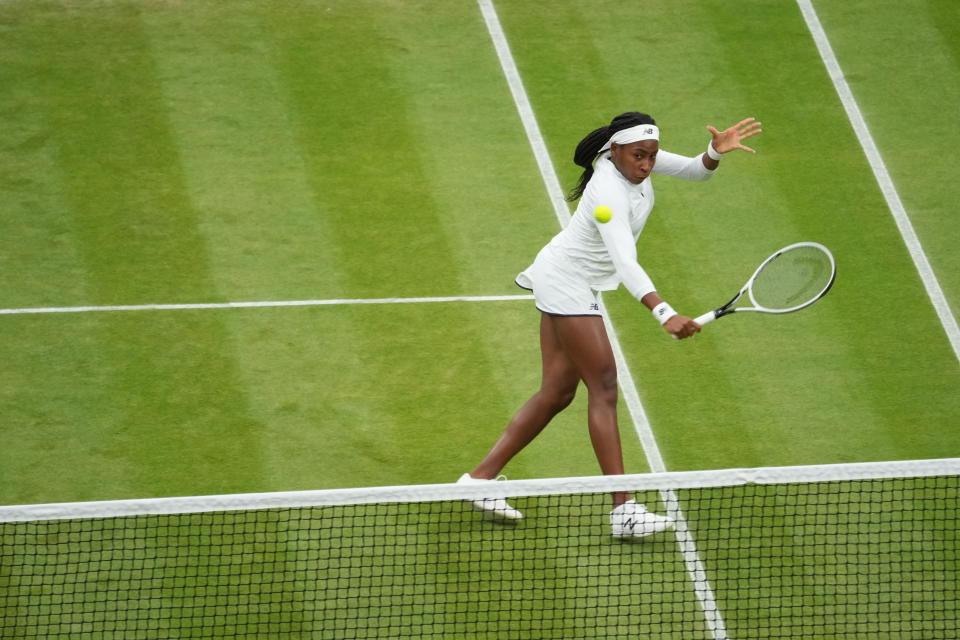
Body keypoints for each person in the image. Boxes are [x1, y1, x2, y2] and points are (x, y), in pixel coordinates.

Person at [458, 112, 762, 538]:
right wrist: (664, 312)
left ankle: (478, 480)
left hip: (567, 277)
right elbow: (625, 261)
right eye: (639, 156)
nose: (647, 165)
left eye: (652, 156)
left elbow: (696, 171)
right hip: (567, 283)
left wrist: (715, 151)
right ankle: (624, 510)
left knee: (556, 393)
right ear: (613, 149)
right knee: (603, 386)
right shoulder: (607, 192)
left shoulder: (635, 159)